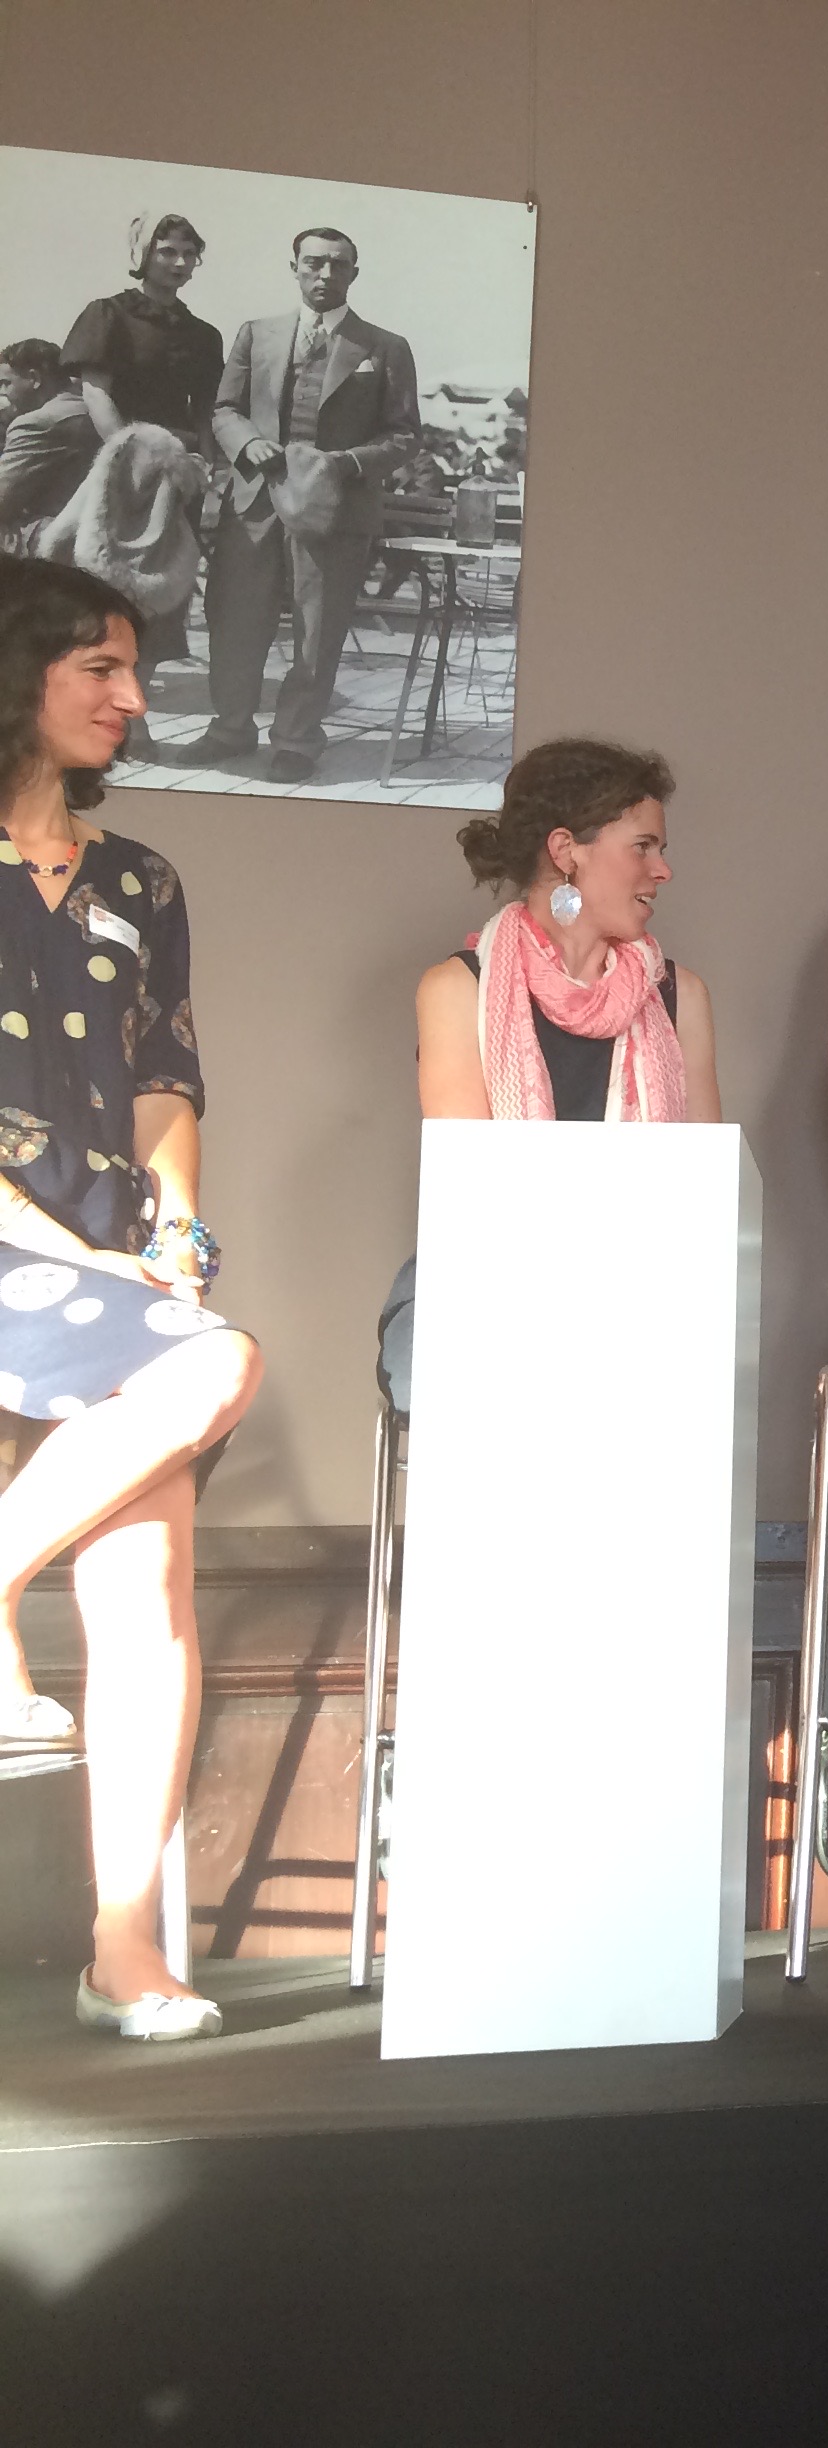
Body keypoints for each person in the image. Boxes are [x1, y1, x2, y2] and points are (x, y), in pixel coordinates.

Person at [0, 557, 266, 2037]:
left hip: (109, 1267)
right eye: (101, 667)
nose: (134, 698)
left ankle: (125, 1946)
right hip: (15, 1258)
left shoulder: (141, 880)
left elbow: (167, 1072)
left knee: (148, 1592)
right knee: (217, 1365)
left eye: (135, 669)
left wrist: (170, 1228)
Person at [384, 739, 722, 1407]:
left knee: (680, 1376)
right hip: (484, 1281)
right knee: (472, 1375)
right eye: (643, 847)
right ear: (567, 851)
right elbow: (474, 1196)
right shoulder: (456, 989)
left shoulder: (681, 996)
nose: (663, 870)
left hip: (641, 1286)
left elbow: (704, 1191)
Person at [186, 228, 420, 784]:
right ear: (293, 266)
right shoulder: (256, 333)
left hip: (335, 508)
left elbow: (405, 435)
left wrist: (346, 463)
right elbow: (224, 409)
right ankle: (230, 728)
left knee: (319, 627)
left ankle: (296, 739)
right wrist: (247, 442)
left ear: (354, 273)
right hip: (255, 502)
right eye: (313, 262)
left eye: (339, 265)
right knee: (236, 618)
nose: (325, 274)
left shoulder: (385, 347)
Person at [58, 215, 222, 749]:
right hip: (120, 475)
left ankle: (132, 714)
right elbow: (97, 392)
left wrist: (203, 468)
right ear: (144, 255)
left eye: (188, 253)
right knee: (106, 599)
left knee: (160, 599)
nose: (179, 262)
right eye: (166, 251)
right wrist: (132, 457)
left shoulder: (203, 335)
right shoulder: (107, 314)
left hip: (177, 480)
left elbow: (204, 412)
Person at [0, 342, 98, 554]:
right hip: (89, 535)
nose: (2, 392)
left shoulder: (36, 424)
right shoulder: (92, 409)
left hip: (52, 541)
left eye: (6, 383)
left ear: (34, 378)